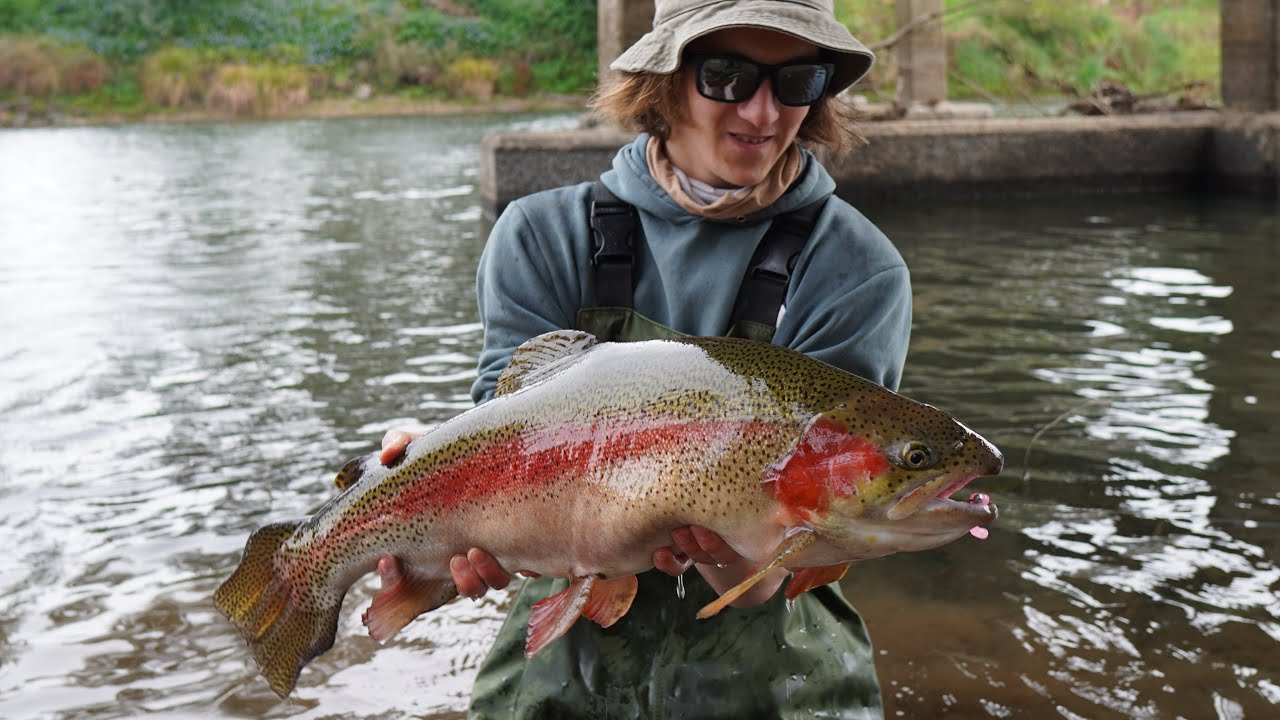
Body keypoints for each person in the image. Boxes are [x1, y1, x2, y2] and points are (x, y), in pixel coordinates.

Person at [376, 1, 910, 717]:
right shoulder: (540, 235)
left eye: (798, 81)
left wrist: (744, 561)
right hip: (563, 659)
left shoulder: (858, 269)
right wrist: (431, 480)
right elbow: (505, 439)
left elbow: (813, 536)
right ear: (664, 80)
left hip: (776, 663)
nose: (762, 112)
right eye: (727, 76)